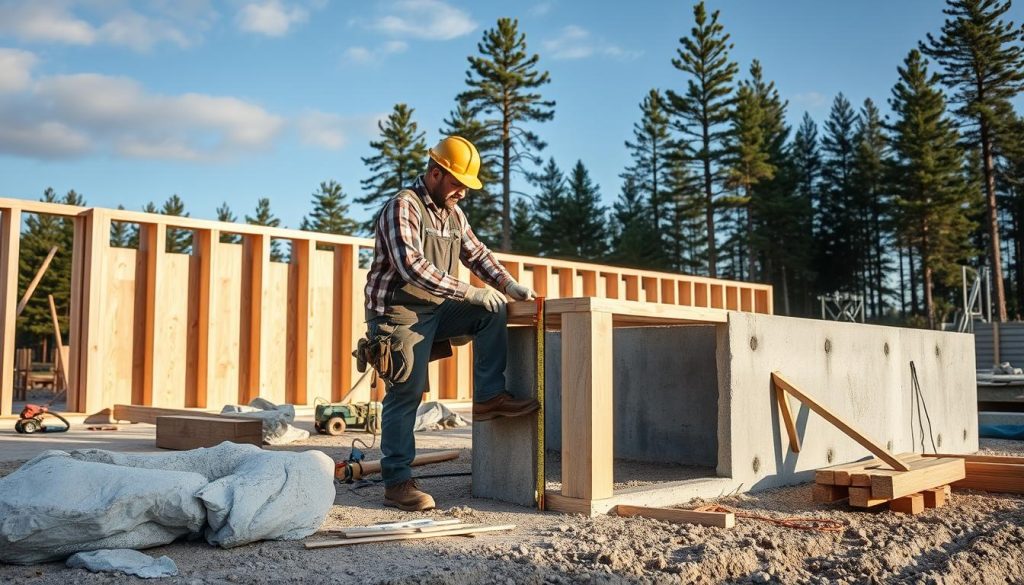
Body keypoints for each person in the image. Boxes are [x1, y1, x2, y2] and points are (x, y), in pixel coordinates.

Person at [362, 135, 540, 511]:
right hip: (398, 312)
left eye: (467, 186)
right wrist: (468, 291)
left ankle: (490, 395)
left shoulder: (454, 214)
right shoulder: (402, 207)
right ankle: (397, 482)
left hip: (438, 306)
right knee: (406, 392)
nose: (463, 192)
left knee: (493, 309)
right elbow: (411, 266)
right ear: (435, 172)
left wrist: (506, 284)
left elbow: (476, 253)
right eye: (459, 183)